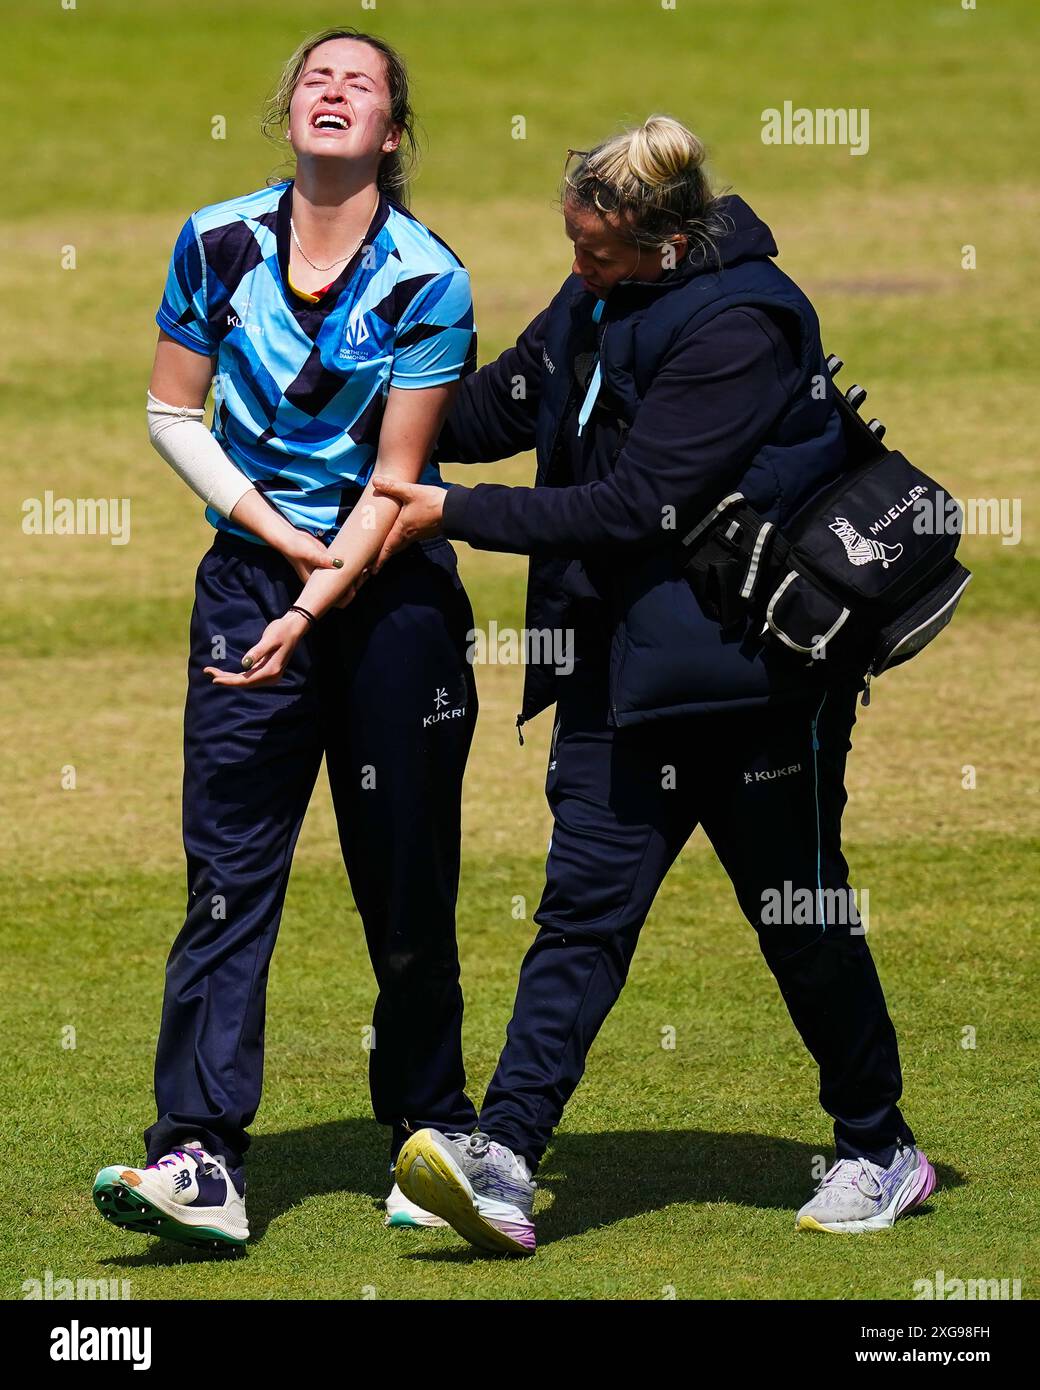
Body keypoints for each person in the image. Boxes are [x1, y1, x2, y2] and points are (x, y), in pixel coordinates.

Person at [377, 116, 936, 1255]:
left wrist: (448, 512)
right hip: (619, 679)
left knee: (798, 916)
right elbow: (497, 407)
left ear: (665, 241)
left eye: (594, 250)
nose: (576, 264)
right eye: (572, 242)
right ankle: (506, 1156)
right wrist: (369, 403)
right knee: (580, 915)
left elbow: (639, 506)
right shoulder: (598, 296)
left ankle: (879, 1146)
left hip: (752, 683)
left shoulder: (744, 325)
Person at [91, 27, 479, 1250]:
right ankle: (197, 1151)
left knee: (405, 878)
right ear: (288, 112)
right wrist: (269, 543)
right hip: (253, 577)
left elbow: (397, 478)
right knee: (228, 870)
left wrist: (312, 602)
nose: (332, 89)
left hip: (391, 597)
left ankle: (431, 1133)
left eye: (359, 83)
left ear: (391, 133)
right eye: (315, 75)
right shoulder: (217, 240)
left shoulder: (428, 277)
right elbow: (171, 408)